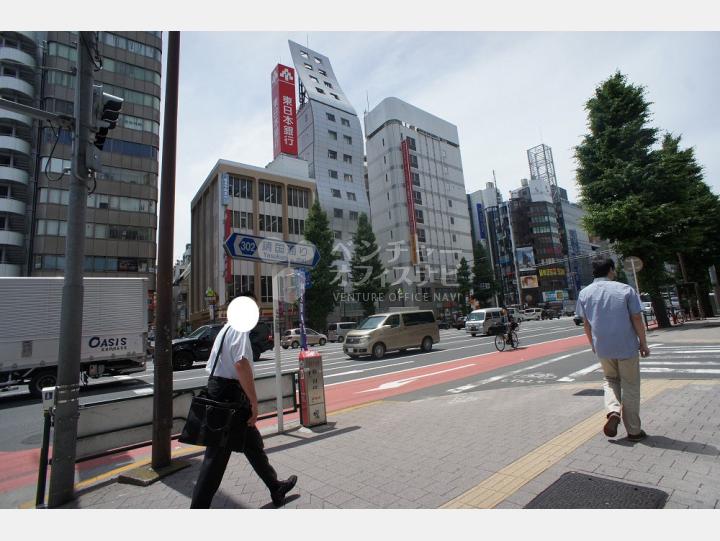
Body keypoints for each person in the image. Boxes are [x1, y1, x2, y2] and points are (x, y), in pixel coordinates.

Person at [191, 291, 297, 508]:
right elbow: (241, 364)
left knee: (252, 443)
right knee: (215, 459)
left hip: (221, 391)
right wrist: (254, 402)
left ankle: (275, 487)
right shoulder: (239, 328)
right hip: (229, 396)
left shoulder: (226, 329)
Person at [576, 256, 651, 442]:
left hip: (603, 346)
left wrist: (592, 344)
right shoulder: (625, 289)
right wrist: (643, 342)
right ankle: (633, 430)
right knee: (630, 385)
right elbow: (636, 318)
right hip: (626, 345)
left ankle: (613, 411)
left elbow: (586, 323)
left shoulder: (584, 293)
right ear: (610, 269)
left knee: (610, 380)